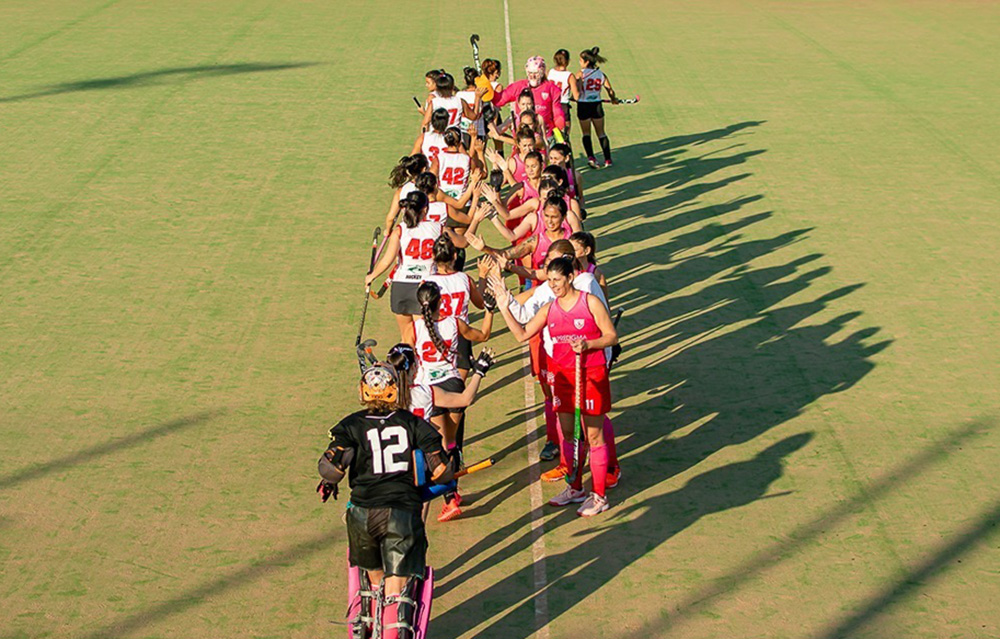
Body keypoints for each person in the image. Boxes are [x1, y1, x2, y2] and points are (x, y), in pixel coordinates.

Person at [316, 364, 457, 639]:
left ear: (363, 391)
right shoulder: (413, 423)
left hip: (362, 513)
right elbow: (441, 470)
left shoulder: (350, 425)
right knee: (396, 592)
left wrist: (329, 483)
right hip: (401, 514)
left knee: (373, 584)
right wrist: (443, 475)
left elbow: (331, 468)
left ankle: (370, 627)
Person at [489, 257, 618, 516]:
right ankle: (575, 487)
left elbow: (612, 336)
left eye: (557, 280)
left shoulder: (590, 302)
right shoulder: (549, 308)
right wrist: (504, 307)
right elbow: (522, 334)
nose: (553, 285)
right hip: (563, 378)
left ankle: (599, 495)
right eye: (549, 280)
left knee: (593, 436)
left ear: (570, 277)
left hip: (590, 375)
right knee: (568, 434)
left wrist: (589, 344)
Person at [412, 280, 495, 521]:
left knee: (438, 446)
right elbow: (483, 335)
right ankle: (452, 496)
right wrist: (489, 311)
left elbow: (407, 359)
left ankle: (446, 496)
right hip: (453, 385)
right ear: (441, 301)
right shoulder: (454, 322)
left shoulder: (414, 328)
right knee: (452, 443)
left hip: (430, 390)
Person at [366, 191, 468, 344]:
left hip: (401, 287)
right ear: (425, 209)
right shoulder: (437, 228)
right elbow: (462, 242)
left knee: (406, 338)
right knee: (423, 338)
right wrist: (476, 220)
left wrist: (371, 276)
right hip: (424, 287)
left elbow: (387, 261)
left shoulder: (399, 230)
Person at [491, 56, 566, 143]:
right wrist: (488, 88)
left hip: (544, 135)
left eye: (536, 73)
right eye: (530, 73)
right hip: (522, 137)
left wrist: (560, 121)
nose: (533, 76)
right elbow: (500, 100)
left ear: (542, 72)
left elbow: (557, 112)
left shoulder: (551, 88)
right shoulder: (518, 86)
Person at [575, 47, 619, 168]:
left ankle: (591, 157)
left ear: (586, 62)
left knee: (586, 133)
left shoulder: (580, 74)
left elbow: (577, 90)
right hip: (597, 105)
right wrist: (613, 99)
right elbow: (610, 90)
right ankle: (608, 159)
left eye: (580, 60)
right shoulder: (601, 74)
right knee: (601, 133)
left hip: (583, 105)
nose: (579, 62)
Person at [385, 154, 430, 234]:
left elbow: (391, 218)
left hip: (407, 231)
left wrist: (388, 231)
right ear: (424, 169)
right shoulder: (431, 188)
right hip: (428, 229)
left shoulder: (401, 190)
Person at [547, 49, 579, 138]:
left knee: (549, 135)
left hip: (550, 105)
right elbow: (576, 96)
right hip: (562, 106)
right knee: (565, 136)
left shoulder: (549, 72)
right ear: (568, 61)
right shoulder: (570, 76)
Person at [570, 231, 609, 298]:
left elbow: (603, 299)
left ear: (587, 251)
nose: (570, 252)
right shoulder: (568, 269)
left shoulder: (597, 274)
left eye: (574, 250)